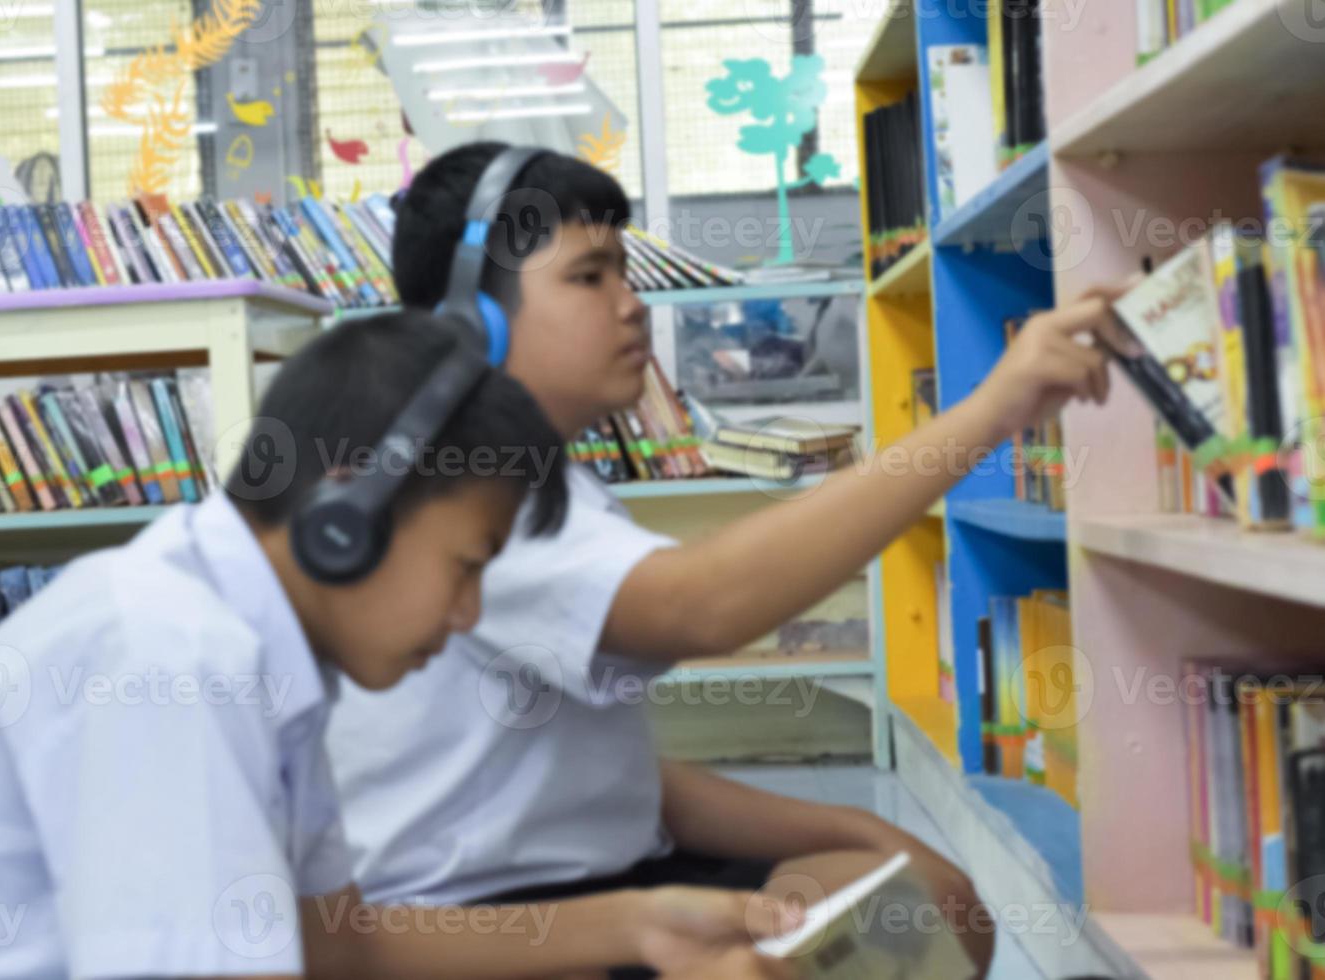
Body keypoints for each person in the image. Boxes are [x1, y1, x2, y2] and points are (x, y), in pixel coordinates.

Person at [326, 143, 1135, 977]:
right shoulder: (460, 481)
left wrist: (850, 829)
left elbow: (608, 773)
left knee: (927, 902)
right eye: (589, 277)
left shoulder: (544, 476)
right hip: (477, 930)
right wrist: (994, 407)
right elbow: (703, 603)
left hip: (601, 877)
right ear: (472, 321)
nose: (631, 306)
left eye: (625, 275)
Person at [0, 312, 799, 979]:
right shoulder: (167, 655)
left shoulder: (260, 641)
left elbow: (336, 942)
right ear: (348, 510)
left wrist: (638, 925)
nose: (469, 614)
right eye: (465, 566)